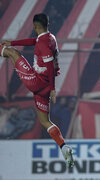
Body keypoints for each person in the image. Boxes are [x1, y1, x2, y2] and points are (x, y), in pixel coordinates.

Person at [0, 13, 74, 168]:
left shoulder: (43, 44)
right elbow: (35, 41)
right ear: (48, 25)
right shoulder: (50, 38)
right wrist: (13, 41)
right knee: (45, 121)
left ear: (34, 27)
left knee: (13, 53)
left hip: (37, 81)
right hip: (43, 88)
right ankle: (63, 146)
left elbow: (49, 66)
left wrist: (53, 89)